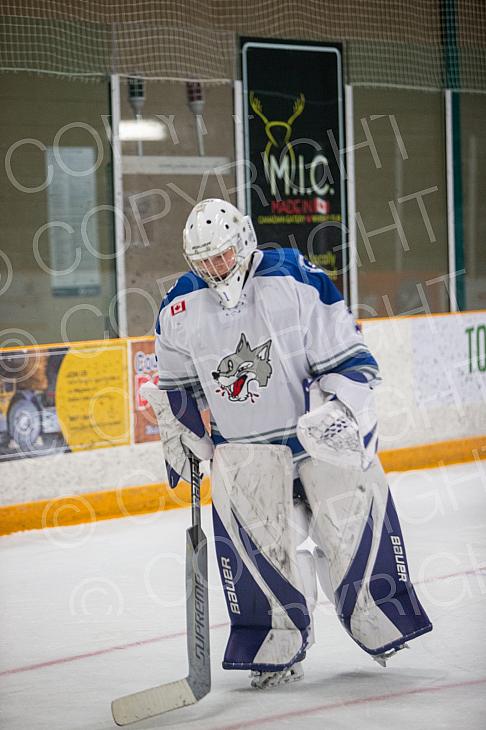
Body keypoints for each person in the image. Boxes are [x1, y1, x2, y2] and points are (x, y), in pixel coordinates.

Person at [152, 198, 432, 689]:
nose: (215, 269)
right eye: (203, 261)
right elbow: (177, 385)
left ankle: (381, 620)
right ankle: (275, 648)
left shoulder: (294, 278)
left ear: (242, 242)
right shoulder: (178, 307)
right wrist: (179, 427)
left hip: (315, 442)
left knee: (352, 535)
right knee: (260, 559)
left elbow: (352, 358)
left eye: (221, 255)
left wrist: (341, 411)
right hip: (245, 453)